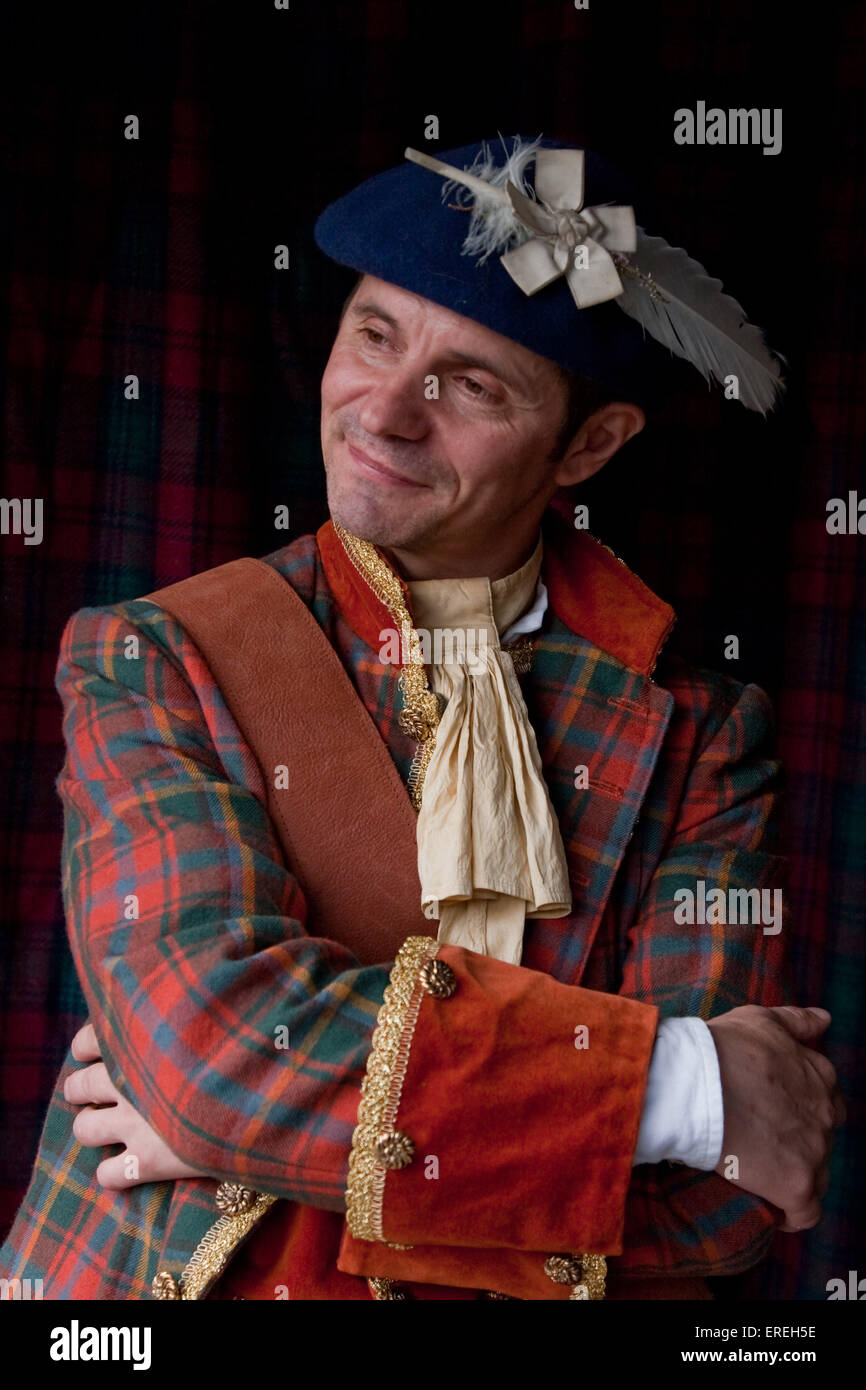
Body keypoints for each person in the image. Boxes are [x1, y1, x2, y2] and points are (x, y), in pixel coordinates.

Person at [0, 135, 843, 1302]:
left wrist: (235, 1150)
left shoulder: (699, 730)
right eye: (374, 336)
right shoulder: (160, 653)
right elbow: (208, 1050)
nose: (385, 416)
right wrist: (693, 1088)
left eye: (474, 386)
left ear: (587, 446)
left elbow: (722, 1207)